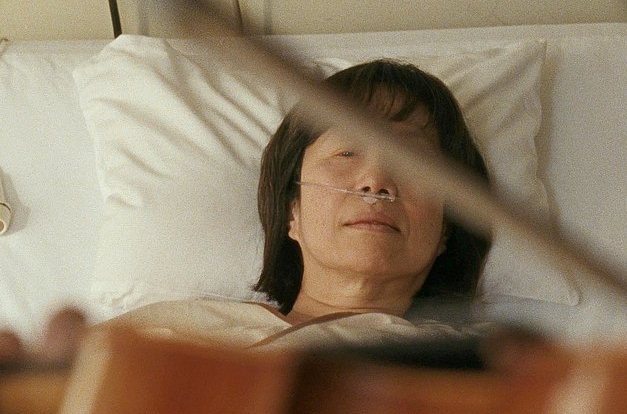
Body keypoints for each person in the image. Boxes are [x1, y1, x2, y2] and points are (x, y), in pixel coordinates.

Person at [86, 58, 493, 352]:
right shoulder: (164, 330)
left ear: (446, 226)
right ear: (291, 210)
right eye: (347, 152)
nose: (375, 182)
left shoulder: (472, 373)